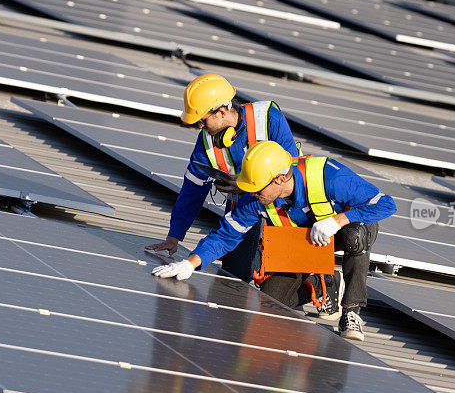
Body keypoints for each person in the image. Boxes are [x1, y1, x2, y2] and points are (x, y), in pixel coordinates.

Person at [151, 141, 397, 341]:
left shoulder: (329, 177)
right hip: (305, 242)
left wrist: (339, 220)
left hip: (345, 231)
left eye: (258, 188)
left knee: (357, 236)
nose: (254, 194)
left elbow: (386, 204)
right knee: (270, 306)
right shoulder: (257, 198)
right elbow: (227, 234)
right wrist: (189, 264)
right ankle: (324, 283)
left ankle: (351, 311)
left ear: (279, 179)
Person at [145, 73, 299, 256]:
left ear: (222, 112)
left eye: (202, 120)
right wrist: (174, 237)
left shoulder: (268, 119)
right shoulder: (206, 143)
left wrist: (244, 186)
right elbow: (192, 190)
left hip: (285, 214)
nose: (200, 126)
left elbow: (291, 171)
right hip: (242, 216)